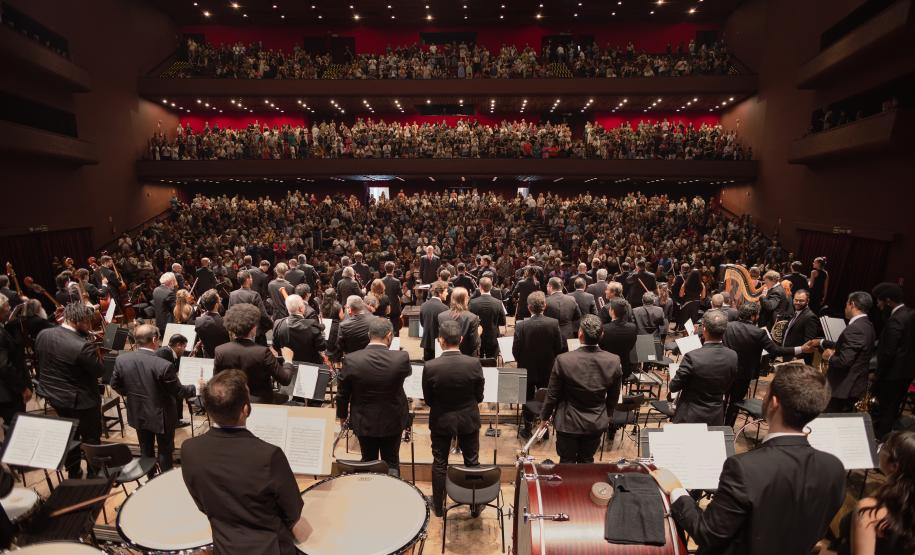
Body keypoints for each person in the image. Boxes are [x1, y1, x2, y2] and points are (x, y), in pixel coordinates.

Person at [652, 364, 846, 555]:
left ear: (774, 403)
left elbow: (706, 533)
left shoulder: (744, 468)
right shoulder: (834, 467)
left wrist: (676, 489)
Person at [181, 369, 307, 555]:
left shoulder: (189, 449)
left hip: (225, 547)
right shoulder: (269, 455)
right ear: (245, 409)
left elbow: (202, 504)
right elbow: (293, 511)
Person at [111, 324, 197, 472]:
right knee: (165, 451)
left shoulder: (121, 359)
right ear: (154, 339)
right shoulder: (163, 365)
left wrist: (133, 394)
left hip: (138, 411)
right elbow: (179, 392)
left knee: (145, 450)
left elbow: (114, 384)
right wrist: (196, 387)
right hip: (161, 416)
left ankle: (150, 478)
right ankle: (165, 479)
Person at [34, 303, 105, 478]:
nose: (89, 326)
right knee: (91, 438)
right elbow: (99, 371)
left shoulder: (43, 334)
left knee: (69, 435)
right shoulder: (82, 345)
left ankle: (73, 472)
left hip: (55, 396)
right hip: (82, 401)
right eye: (87, 322)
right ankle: (93, 474)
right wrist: (94, 348)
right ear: (76, 321)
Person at [422, 320, 484, 517]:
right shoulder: (474, 363)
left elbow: (428, 399)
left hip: (441, 419)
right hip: (468, 418)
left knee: (440, 462)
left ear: (440, 340)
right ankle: (475, 506)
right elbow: (479, 396)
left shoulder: (430, 366)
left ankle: (438, 507)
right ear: (462, 339)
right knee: (472, 461)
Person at [541, 315, 622, 463]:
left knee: (567, 462)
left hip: (568, 422)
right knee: (587, 461)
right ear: (602, 335)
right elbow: (613, 396)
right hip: (596, 422)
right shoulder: (614, 360)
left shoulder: (563, 360)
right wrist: (607, 415)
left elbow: (552, 395)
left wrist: (544, 417)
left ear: (580, 334)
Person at [335, 317, 410, 474]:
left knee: (368, 460)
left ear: (369, 335)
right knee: (391, 461)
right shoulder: (401, 358)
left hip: (363, 420)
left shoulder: (351, 359)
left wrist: (342, 416)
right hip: (393, 419)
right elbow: (406, 374)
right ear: (389, 336)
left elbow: (342, 393)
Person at [826, 431, 915, 555]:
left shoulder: (870, 510)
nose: (880, 448)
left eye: (884, 447)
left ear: (894, 466)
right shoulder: (906, 499)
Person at [722, 303, 800, 427]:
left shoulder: (727, 326)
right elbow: (776, 351)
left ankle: (718, 425)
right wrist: (800, 349)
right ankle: (728, 427)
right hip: (744, 374)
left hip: (726, 370)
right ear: (753, 316)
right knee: (735, 403)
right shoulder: (759, 333)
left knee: (722, 400)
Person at [807, 291, 877, 412]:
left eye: (846, 304)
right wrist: (822, 342)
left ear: (852, 304)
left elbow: (844, 361)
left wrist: (829, 356)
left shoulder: (855, 328)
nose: (845, 308)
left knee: (830, 419)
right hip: (853, 386)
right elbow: (848, 346)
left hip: (843, 388)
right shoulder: (867, 325)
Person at [214, 303, 294, 404]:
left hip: (233, 402)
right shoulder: (263, 352)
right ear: (253, 328)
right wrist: (288, 360)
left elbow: (217, 380)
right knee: (285, 397)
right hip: (261, 402)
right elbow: (285, 380)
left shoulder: (220, 350)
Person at [669, 309, 738, 425]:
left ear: (704, 330)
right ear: (724, 330)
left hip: (689, 416)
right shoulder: (733, 356)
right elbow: (728, 385)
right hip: (715, 416)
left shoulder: (692, 356)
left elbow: (674, 387)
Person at [514, 291, 563, 438]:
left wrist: (523, 361)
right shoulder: (553, 323)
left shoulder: (521, 325)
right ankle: (544, 430)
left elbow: (516, 351)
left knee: (527, 398)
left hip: (527, 368)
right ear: (544, 306)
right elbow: (559, 348)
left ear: (529, 307)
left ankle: (527, 428)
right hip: (547, 368)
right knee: (546, 398)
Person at [870, 283, 914, 439]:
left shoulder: (895, 320)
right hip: (907, 372)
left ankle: (879, 439)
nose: (878, 304)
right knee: (893, 407)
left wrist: (877, 374)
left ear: (888, 301)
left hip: (891, 374)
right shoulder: (911, 313)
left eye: (879, 300)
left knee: (885, 409)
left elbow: (888, 352)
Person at [272, 294, 327, 365]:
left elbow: (276, 346)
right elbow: (322, 347)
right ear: (301, 309)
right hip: (310, 365)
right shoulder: (312, 325)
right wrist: (323, 334)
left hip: (288, 363)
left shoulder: (278, 323)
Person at [0, 295, 30, 427]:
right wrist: (22, 388)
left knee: (11, 427)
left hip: (6, 391)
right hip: (8, 393)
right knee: (17, 428)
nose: (10, 309)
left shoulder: (3, 328)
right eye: (7, 307)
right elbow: (4, 366)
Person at [228, 270, 272, 345]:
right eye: (251, 278)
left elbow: (230, 314)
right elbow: (263, 315)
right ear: (248, 279)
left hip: (238, 332)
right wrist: (270, 324)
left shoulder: (232, 295)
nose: (252, 279)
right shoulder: (254, 295)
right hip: (252, 333)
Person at [598, 298, 638, 379]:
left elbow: (601, 347)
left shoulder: (604, 329)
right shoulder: (633, 328)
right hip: (624, 368)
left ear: (612, 311)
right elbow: (631, 346)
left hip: (606, 367)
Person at [469, 276, 506, 359]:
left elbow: (470, 321)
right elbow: (503, 322)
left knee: (478, 361)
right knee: (492, 362)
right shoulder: (498, 303)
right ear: (491, 287)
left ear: (479, 287)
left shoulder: (472, 303)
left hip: (477, 337)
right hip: (493, 337)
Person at [437, 287, 480, 357]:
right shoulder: (472, 317)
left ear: (452, 299)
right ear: (465, 299)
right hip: (467, 357)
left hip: (447, 357)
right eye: (468, 297)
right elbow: (474, 344)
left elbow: (440, 340)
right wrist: (478, 333)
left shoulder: (441, 316)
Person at [780, 289, 820, 364]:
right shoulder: (796, 313)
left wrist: (796, 357)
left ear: (807, 301)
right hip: (788, 355)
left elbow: (809, 343)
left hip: (797, 360)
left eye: (801, 301)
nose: (797, 302)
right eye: (796, 300)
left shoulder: (810, 317)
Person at [545, 277, 581, 342]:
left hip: (551, 335)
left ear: (550, 287)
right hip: (568, 334)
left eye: (547, 286)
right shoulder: (571, 299)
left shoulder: (546, 301)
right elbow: (578, 316)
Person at [195, 289, 230, 357]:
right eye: (219, 300)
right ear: (216, 305)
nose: (220, 300)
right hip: (223, 356)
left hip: (208, 356)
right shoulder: (224, 323)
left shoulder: (198, 321)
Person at [420, 281, 449, 361]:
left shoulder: (423, 305)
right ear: (440, 293)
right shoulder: (445, 308)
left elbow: (422, 323)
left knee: (427, 365)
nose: (447, 294)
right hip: (440, 344)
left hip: (426, 342)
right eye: (446, 291)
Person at [381, 261, 402, 333]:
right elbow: (400, 294)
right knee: (395, 327)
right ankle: (396, 339)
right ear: (393, 269)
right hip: (395, 307)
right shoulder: (397, 281)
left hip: (384, 307)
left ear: (385, 269)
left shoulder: (381, 281)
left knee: (384, 328)